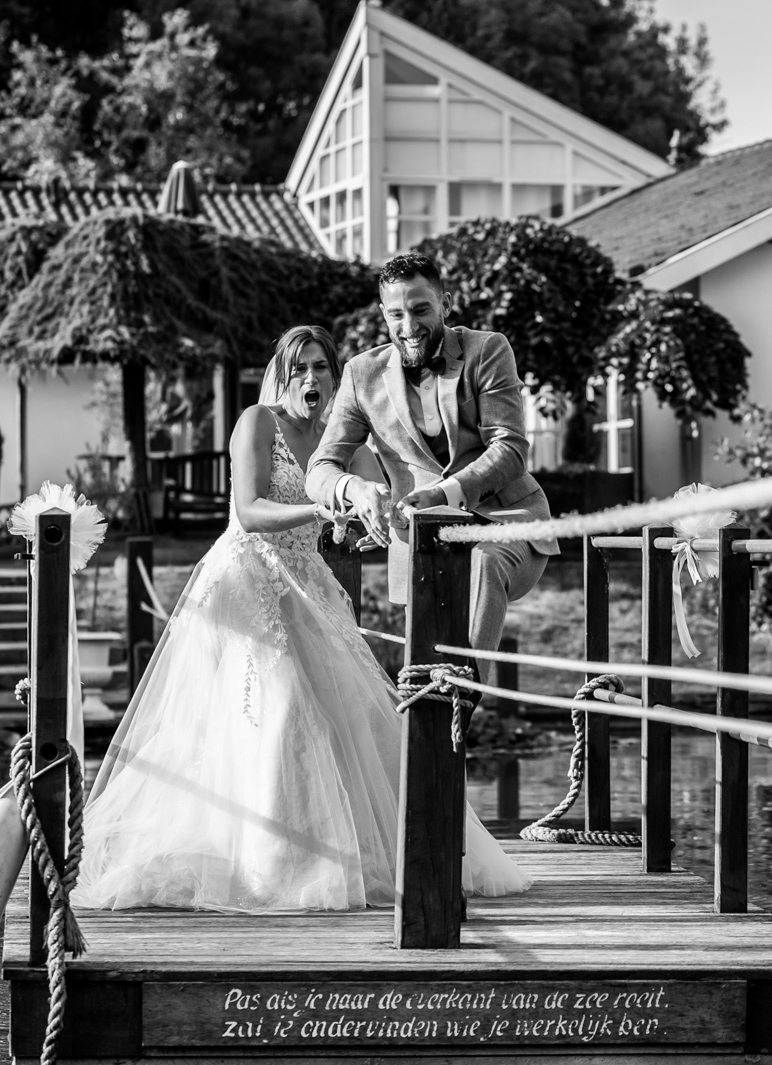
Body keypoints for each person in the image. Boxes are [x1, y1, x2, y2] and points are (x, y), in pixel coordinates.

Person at [68, 325, 526, 912]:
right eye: (299, 368)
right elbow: (251, 512)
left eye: (322, 369)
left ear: (337, 380)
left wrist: (377, 516)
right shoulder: (257, 422)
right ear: (281, 376)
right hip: (247, 583)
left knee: (351, 718)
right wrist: (325, 503)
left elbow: (383, 491)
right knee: (273, 714)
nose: (311, 379)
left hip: (309, 582)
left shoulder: (342, 441)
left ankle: (382, 852)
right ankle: (267, 863)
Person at [305, 252, 558, 664]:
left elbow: (509, 449)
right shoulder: (360, 374)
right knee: (423, 668)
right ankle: (443, 710)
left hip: (506, 523)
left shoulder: (488, 350)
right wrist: (355, 488)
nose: (408, 328)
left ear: (446, 303)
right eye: (396, 315)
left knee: (484, 562)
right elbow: (319, 469)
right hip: (418, 543)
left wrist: (445, 493)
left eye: (420, 310)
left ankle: (464, 693)